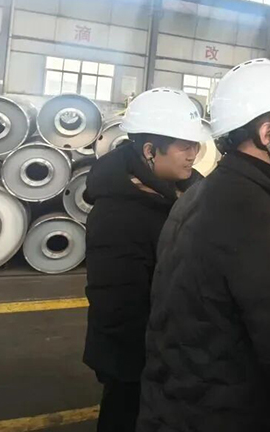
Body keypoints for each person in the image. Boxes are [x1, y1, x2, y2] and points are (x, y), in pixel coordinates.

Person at [137, 59, 270, 432]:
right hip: (226, 412)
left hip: (176, 402)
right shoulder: (256, 216)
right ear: (266, 134)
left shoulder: (197, 196)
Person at [84, 88, 206, 432]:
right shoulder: (117, 212)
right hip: (133, 358)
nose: (194, 154)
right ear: (150, 151)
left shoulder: (184, 192)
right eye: (184, 146)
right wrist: (159, 359)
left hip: (172, 352)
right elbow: (117, 304)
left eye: (195, 144)